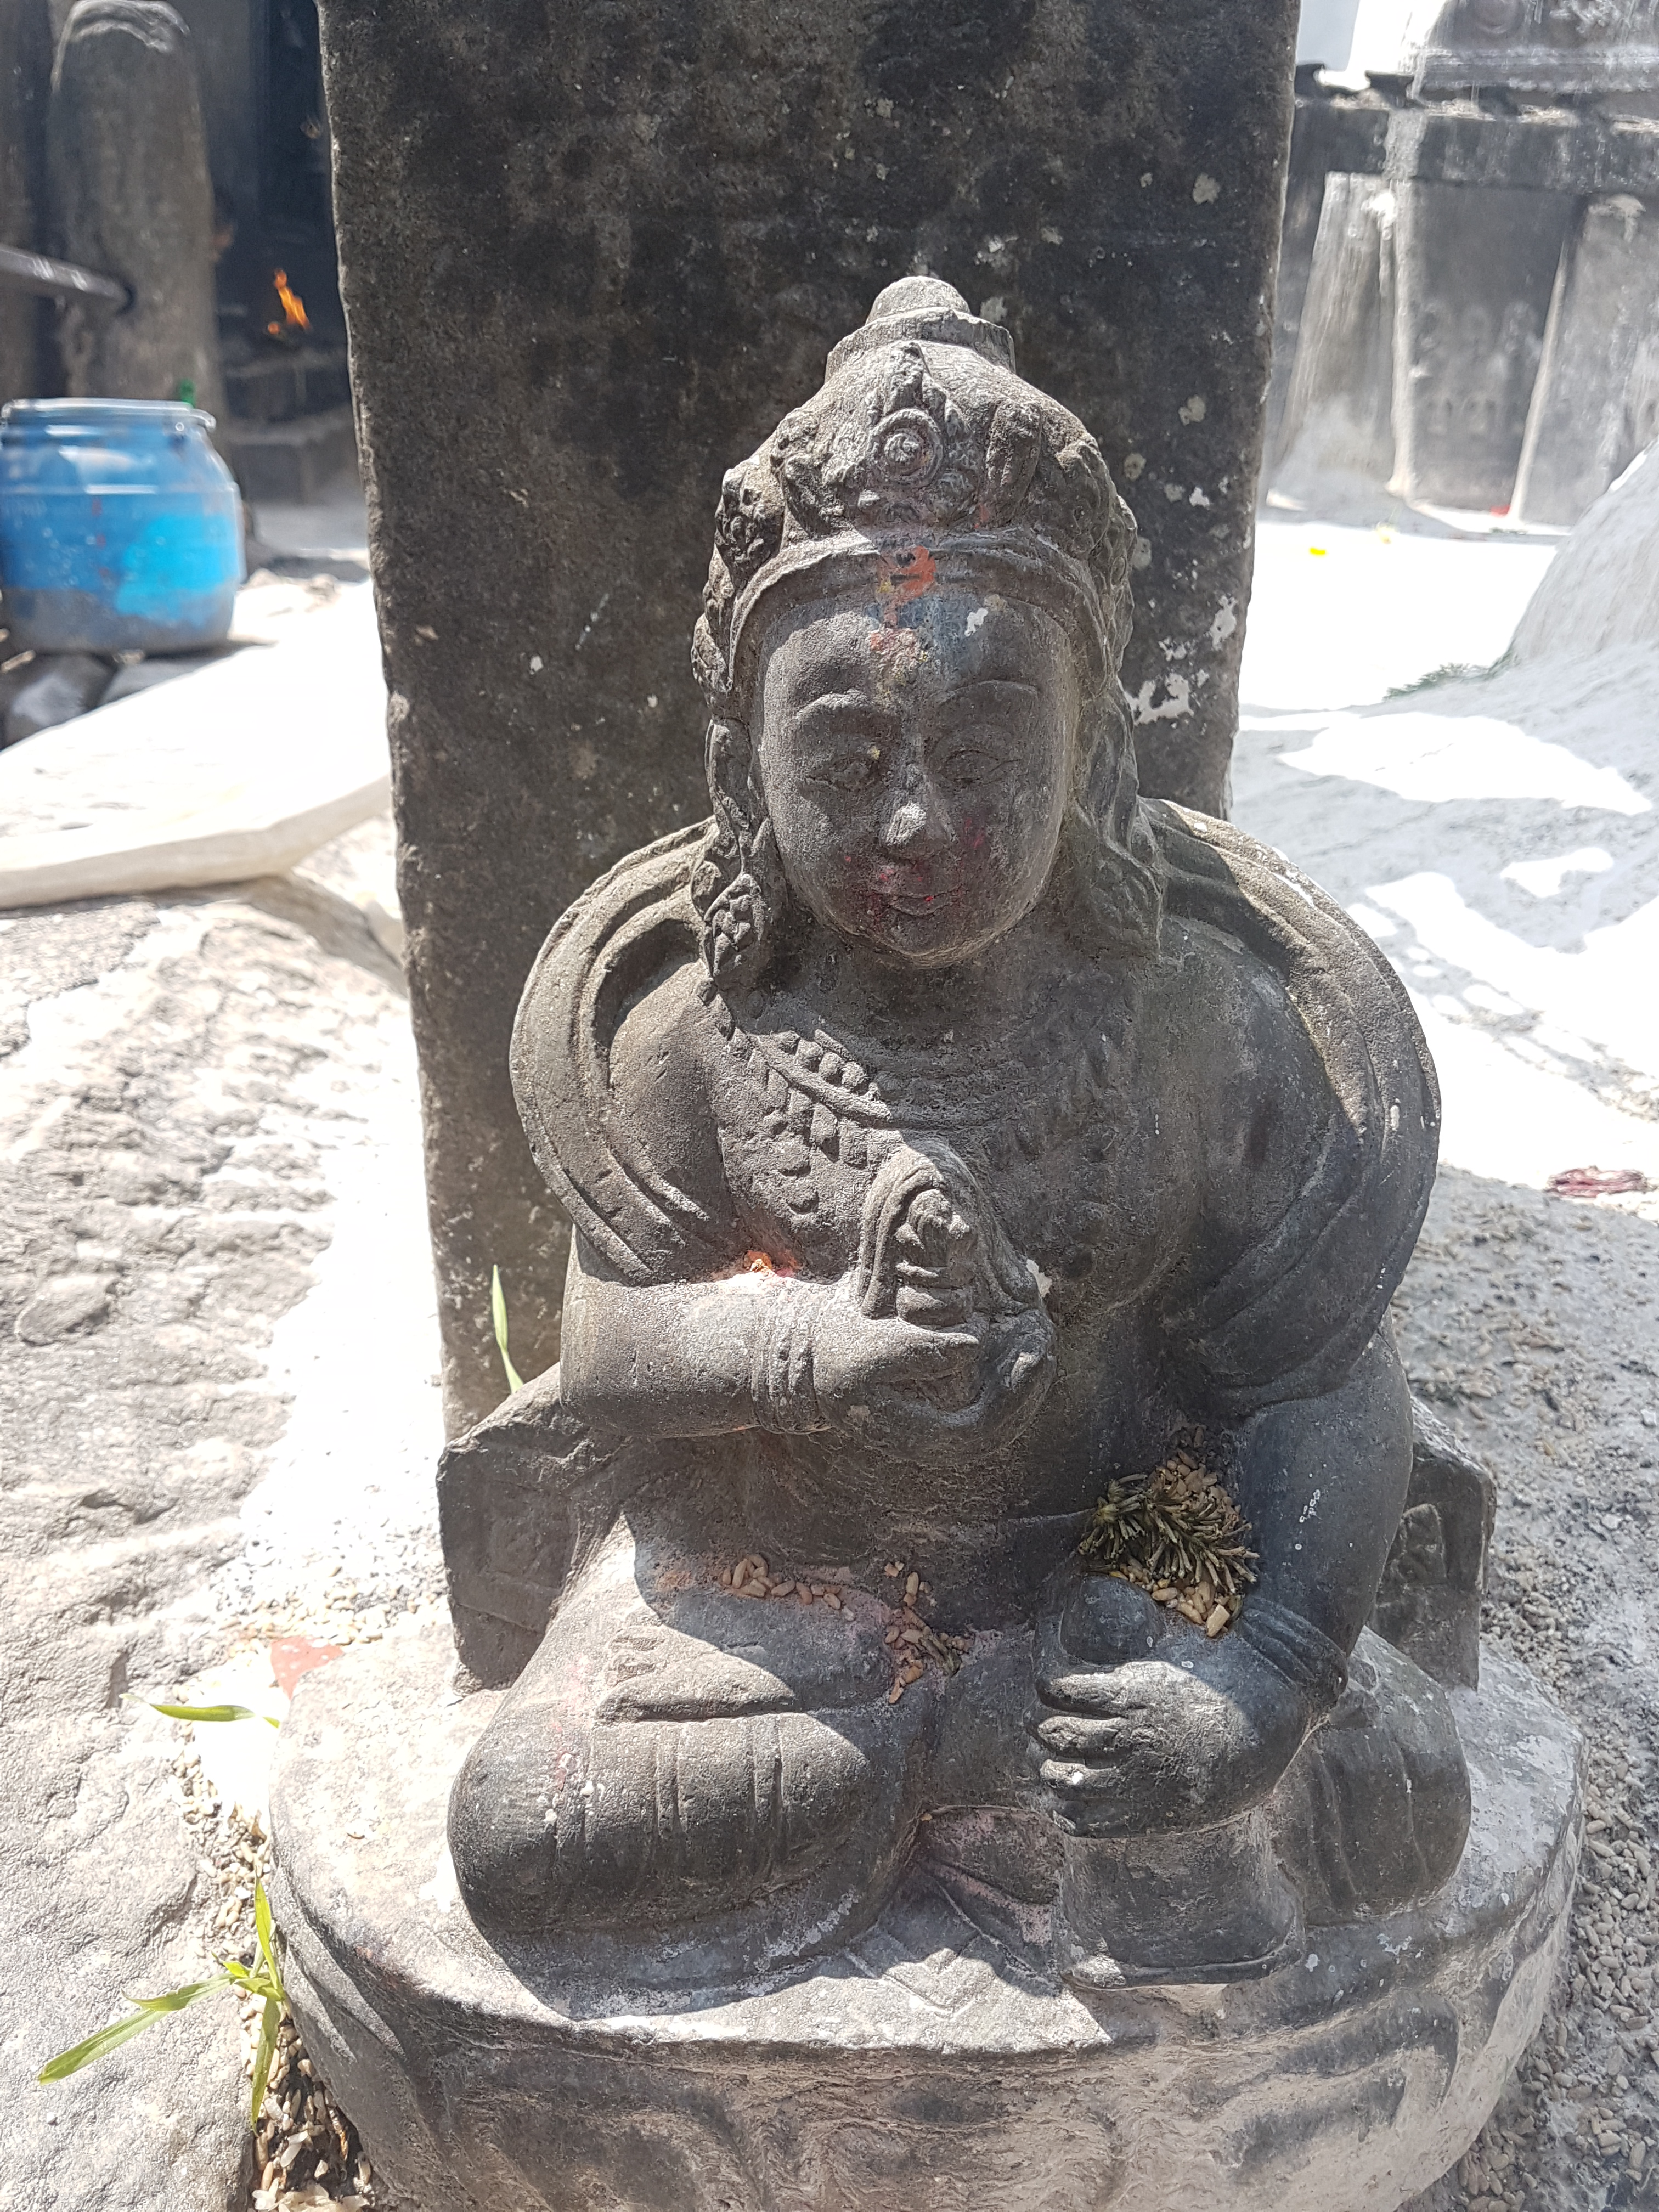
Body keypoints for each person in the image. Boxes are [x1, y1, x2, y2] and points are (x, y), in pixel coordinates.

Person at [444, 279, 1460, 1985]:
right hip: (783, 1596)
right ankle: (978, 1763)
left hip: (1120, 1554)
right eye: (846, 759)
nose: (916, 820)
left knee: (1398, 1787)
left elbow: (1320, 1387)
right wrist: (809, 1355)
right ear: (744, 765)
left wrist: (1270, 1674)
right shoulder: (696, 1033)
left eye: (986, 749)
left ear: (1093, 752)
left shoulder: (1198, 1024)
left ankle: (1002, 1766)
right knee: (531, 1830)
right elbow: (609, 1351)